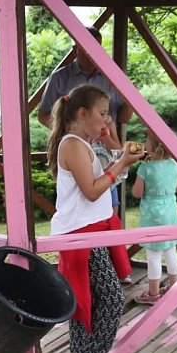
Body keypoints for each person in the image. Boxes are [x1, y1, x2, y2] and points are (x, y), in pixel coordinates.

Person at [47, 84, 142, 353]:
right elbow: (92, 189)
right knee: (111, 299)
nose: (106, 120)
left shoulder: (83, 142)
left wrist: (117, 147)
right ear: (81, 113)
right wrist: (122, 165)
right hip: (79, 235)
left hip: (90, 230)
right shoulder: (73, 145)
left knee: (92, 299)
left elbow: (114, 164)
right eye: (102, 114)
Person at [38, 27, 134, 216]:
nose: (92, 53)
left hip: (105, 156)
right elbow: (43, 114)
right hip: (78, 157)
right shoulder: (59, 78)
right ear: (76, 49)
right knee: (80, 208)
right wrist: (74, 134)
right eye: (87, 48)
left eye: (96, 48)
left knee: (108, 213)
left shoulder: (113, 77)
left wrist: (132, 97)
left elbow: (123, 117)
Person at [131, 130, 177, 305]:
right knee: (171, 251)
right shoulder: (175, 165)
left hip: (152, 215)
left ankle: (153, 293)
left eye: (147, 141)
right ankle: (174, 288)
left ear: (152, 147)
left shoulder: (145, 167)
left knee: (153, 255)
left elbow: (137, 193)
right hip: (170, 211)